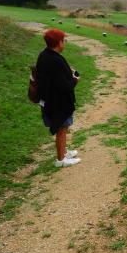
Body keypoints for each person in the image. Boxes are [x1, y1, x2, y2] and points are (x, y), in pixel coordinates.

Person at [36, 29, 81, 167]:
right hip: (57, 103)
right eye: (63, 40)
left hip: (50, 100)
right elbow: (63, 86)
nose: (64, 43)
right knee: (61, 129)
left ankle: (64, 151)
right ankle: (61, 160)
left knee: (64, 127)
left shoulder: (45, 55)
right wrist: (75, 80)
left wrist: (68, 73)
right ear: (58, 42)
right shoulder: (54, 60)